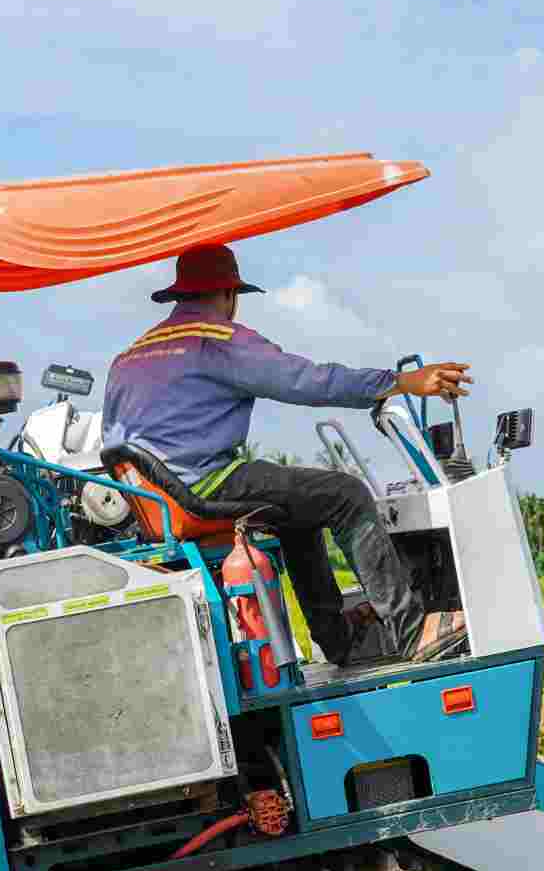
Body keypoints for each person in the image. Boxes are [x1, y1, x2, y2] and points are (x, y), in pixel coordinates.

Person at [103, 243, 471, 667]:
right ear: (229, 295)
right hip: (200, 485)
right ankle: (413, 632)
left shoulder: (130, 355)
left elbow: (113, 438)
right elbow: (306, 382)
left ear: (179, 296)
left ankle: (340, 640)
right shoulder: (217, 339)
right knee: (344, 493)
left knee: (299, 510)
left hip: (155, 503)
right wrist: (400, 382)